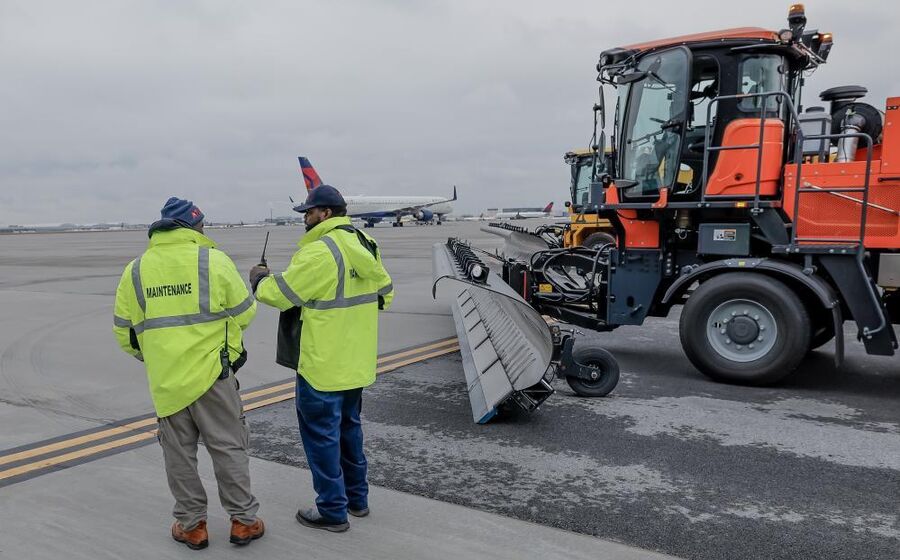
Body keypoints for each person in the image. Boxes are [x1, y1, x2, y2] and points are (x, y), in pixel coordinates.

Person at [113, 197, 264, 550]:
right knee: (228, 447)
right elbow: (245, 312)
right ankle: (243, 521)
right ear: (194, 227)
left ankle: (192, 526)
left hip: (167, 382)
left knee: (178, 455)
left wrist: (157, 357)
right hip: (214, 374)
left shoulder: (135, 270)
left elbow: (125, 333)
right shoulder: (212, 260)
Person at [250, 184, 393, 532]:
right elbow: (385, 295)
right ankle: (357, 500)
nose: (304, 218)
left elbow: (283, 295)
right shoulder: (364, 244)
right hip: (355, 363)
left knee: (321, 437)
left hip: (321, 365)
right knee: (350, 431)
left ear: (325, 213)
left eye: (308, 212)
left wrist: (259, 281)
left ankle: (332, 510)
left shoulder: (319, 252)